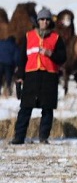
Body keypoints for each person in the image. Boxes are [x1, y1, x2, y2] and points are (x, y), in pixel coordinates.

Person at [10, 8, 67, 145]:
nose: (45, 22)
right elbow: (22, 58)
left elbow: (63, 58)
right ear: (37, 21)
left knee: (47, 109)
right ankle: (19, 137)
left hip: (49, 76)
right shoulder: (29, 36)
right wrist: (19, 77)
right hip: (32, 76)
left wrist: (50, 54)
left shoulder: (56, 38)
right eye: (42, 19)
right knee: (25, 108)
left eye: (47, 19)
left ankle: (43, 138)